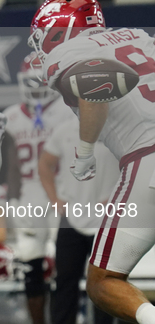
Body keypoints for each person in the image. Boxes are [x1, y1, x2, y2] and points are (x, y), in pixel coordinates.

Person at [29, 0, 155, 324]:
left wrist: (85, 152)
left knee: (103, 283)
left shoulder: (69, 51)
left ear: (58, 30)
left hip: (148, 157)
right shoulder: (141, 38)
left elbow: (95, 84)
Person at [3, 51, 75, 324]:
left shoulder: (67, 112)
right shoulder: (10, 117)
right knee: (32, 267)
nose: (36, 88)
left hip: (61, 191)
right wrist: (7, 199)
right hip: (27, 195)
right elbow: (7, 166)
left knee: (65, 266)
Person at [38, 117, 117, 324]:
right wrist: (54, 198)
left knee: (106, 284)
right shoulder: (65, 130)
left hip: (106, 218)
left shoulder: (118, 129)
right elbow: (45, 163)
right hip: (71, 216)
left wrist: (119, 195)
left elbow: (136, 163)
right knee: (64, 281)